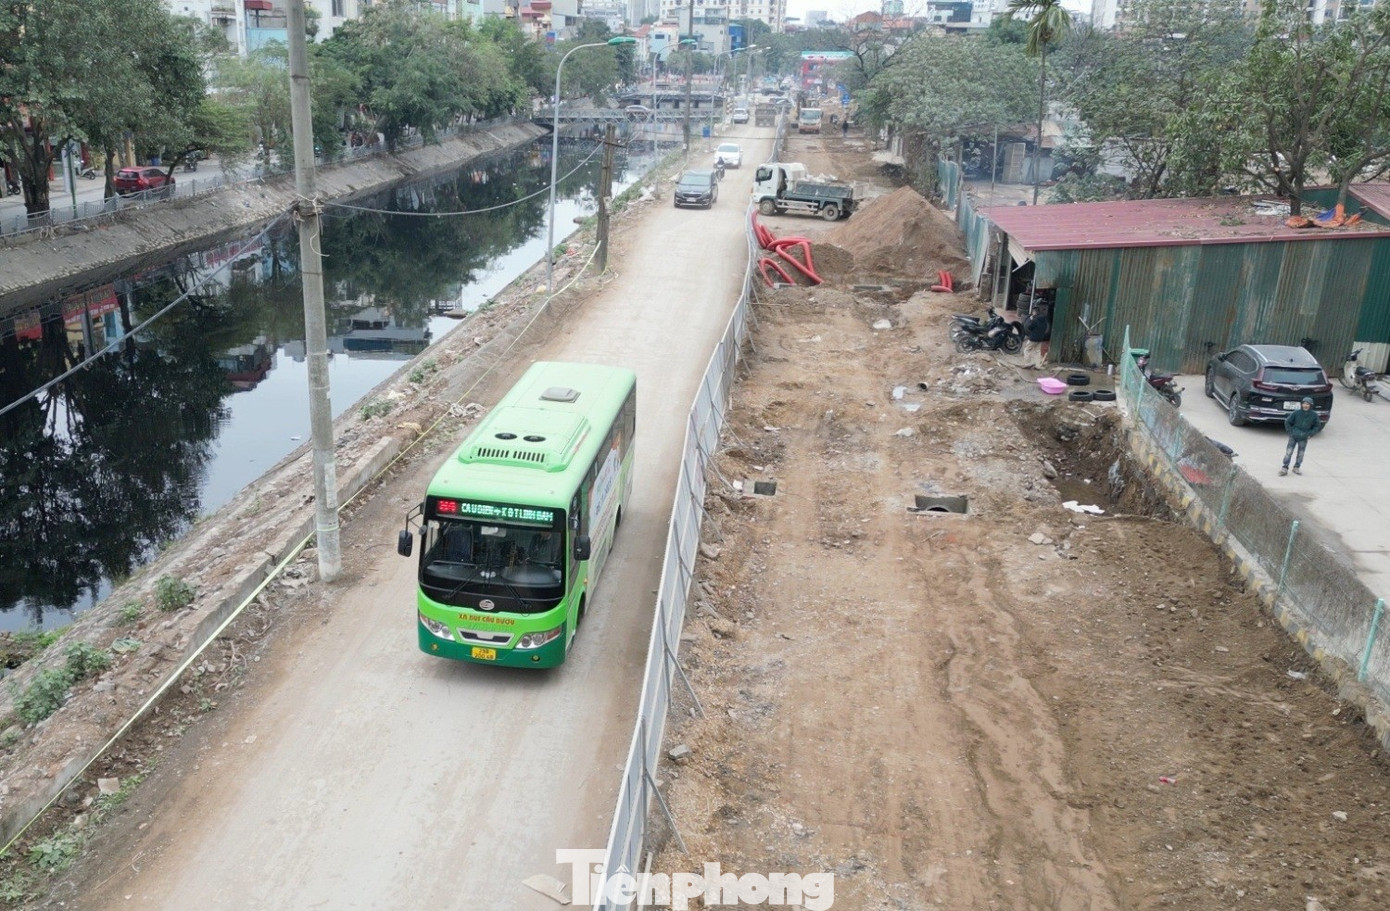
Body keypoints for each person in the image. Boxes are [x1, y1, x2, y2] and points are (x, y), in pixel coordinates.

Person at [1280, 397, 1322, 475]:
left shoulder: (1314, 415)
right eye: (1304, 404)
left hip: (1304, 437)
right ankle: (1285, 467)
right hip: (1293, 436)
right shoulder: (1296, 413)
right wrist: (1290, 432)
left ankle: (1296, 467)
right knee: (1289, 452)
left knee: (1301, 453)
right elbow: (1287, 422)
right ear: (1301, 404)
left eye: (1307, 404)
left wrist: (1310, 434)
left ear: (1311, 405)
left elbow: (1317, 426)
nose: (1305, 405)